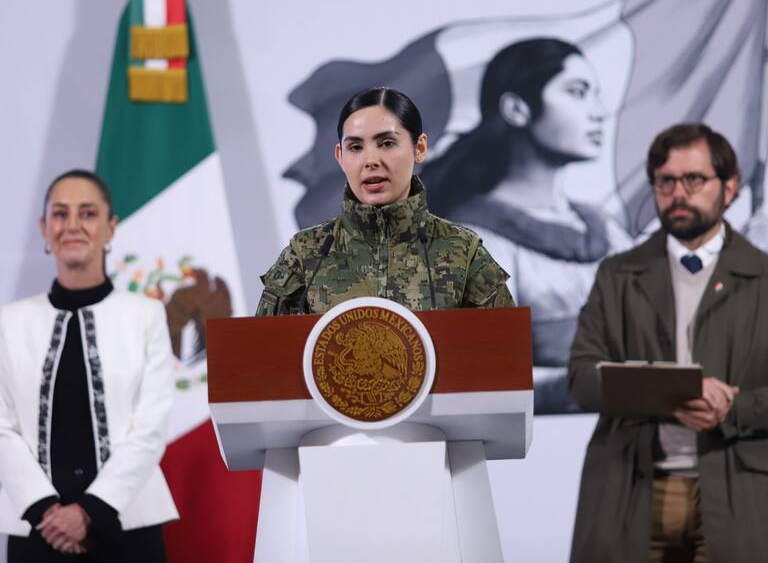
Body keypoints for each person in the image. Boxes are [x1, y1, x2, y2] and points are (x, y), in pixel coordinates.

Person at [568, 124, 768, 562]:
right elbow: (582, 379)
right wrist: (670, 390)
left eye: (694, 179)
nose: (678, 192)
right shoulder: (617, 274)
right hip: (633, 488)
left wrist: (734, 409)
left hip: (738, 492)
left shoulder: (763, 277)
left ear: (730, 187)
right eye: (665, 181)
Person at [423, 38, 632, 412]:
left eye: (596, 94)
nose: (599, 112)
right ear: (517, 109)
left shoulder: (608, 230)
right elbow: (485, 380)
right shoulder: (472, 244)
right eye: (577, 92)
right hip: (541, 453)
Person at [0, 170, 178, 562]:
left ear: (110, 227)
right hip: (37, 529)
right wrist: (45, 510)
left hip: (128, 524)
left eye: (88, 213)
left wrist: (88, 512)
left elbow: (150, 428)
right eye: (61, 214)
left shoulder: (145, 316)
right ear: (44, 229)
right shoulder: (8, 323)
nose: (74, 225)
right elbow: (1, 428)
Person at [256, 86, 514, 316]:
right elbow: (260, 360)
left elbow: (506, 355)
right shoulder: (304, 255)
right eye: (355, 147)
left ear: (420, 148)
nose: (371, 160)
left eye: (387, 143)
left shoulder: (463, 253)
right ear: (340, 157)